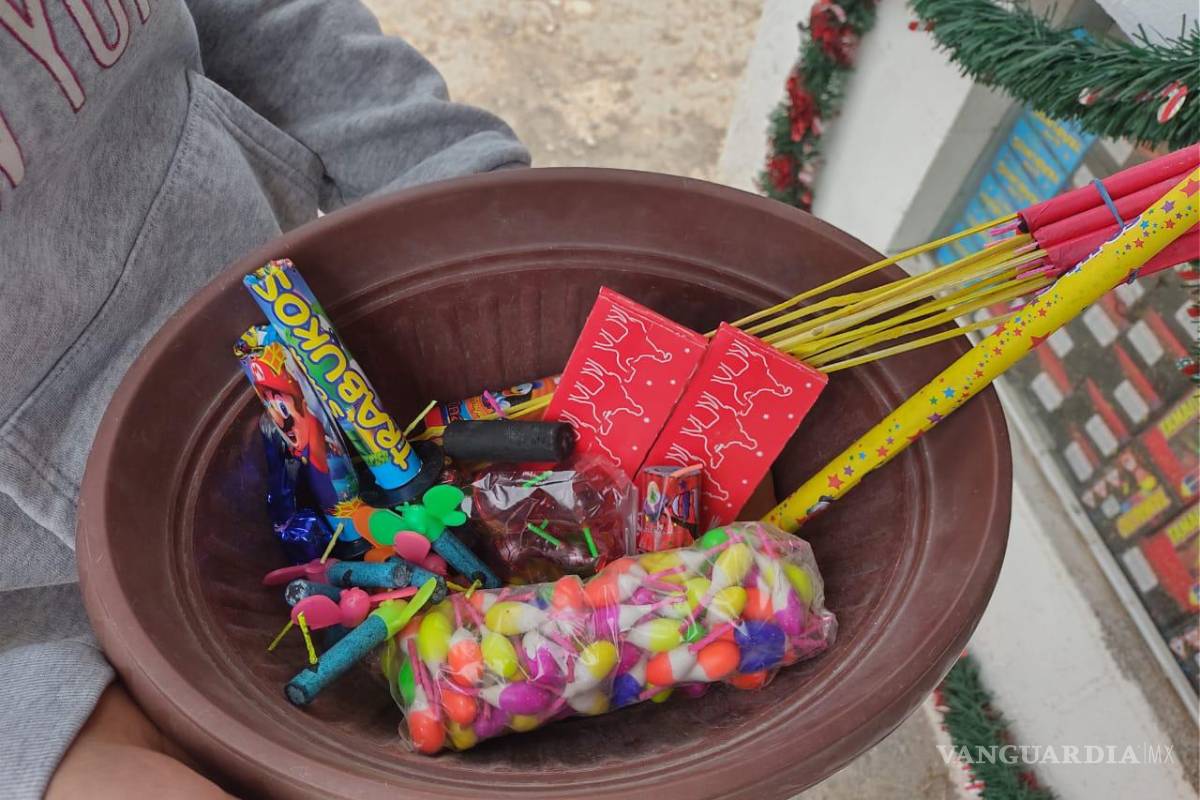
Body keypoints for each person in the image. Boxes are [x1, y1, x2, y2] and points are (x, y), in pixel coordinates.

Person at [0, 1, 529, 796]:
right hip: (48, 630)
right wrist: (38, 733)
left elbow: (268, 19)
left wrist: (461, 195)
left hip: (332, 376)